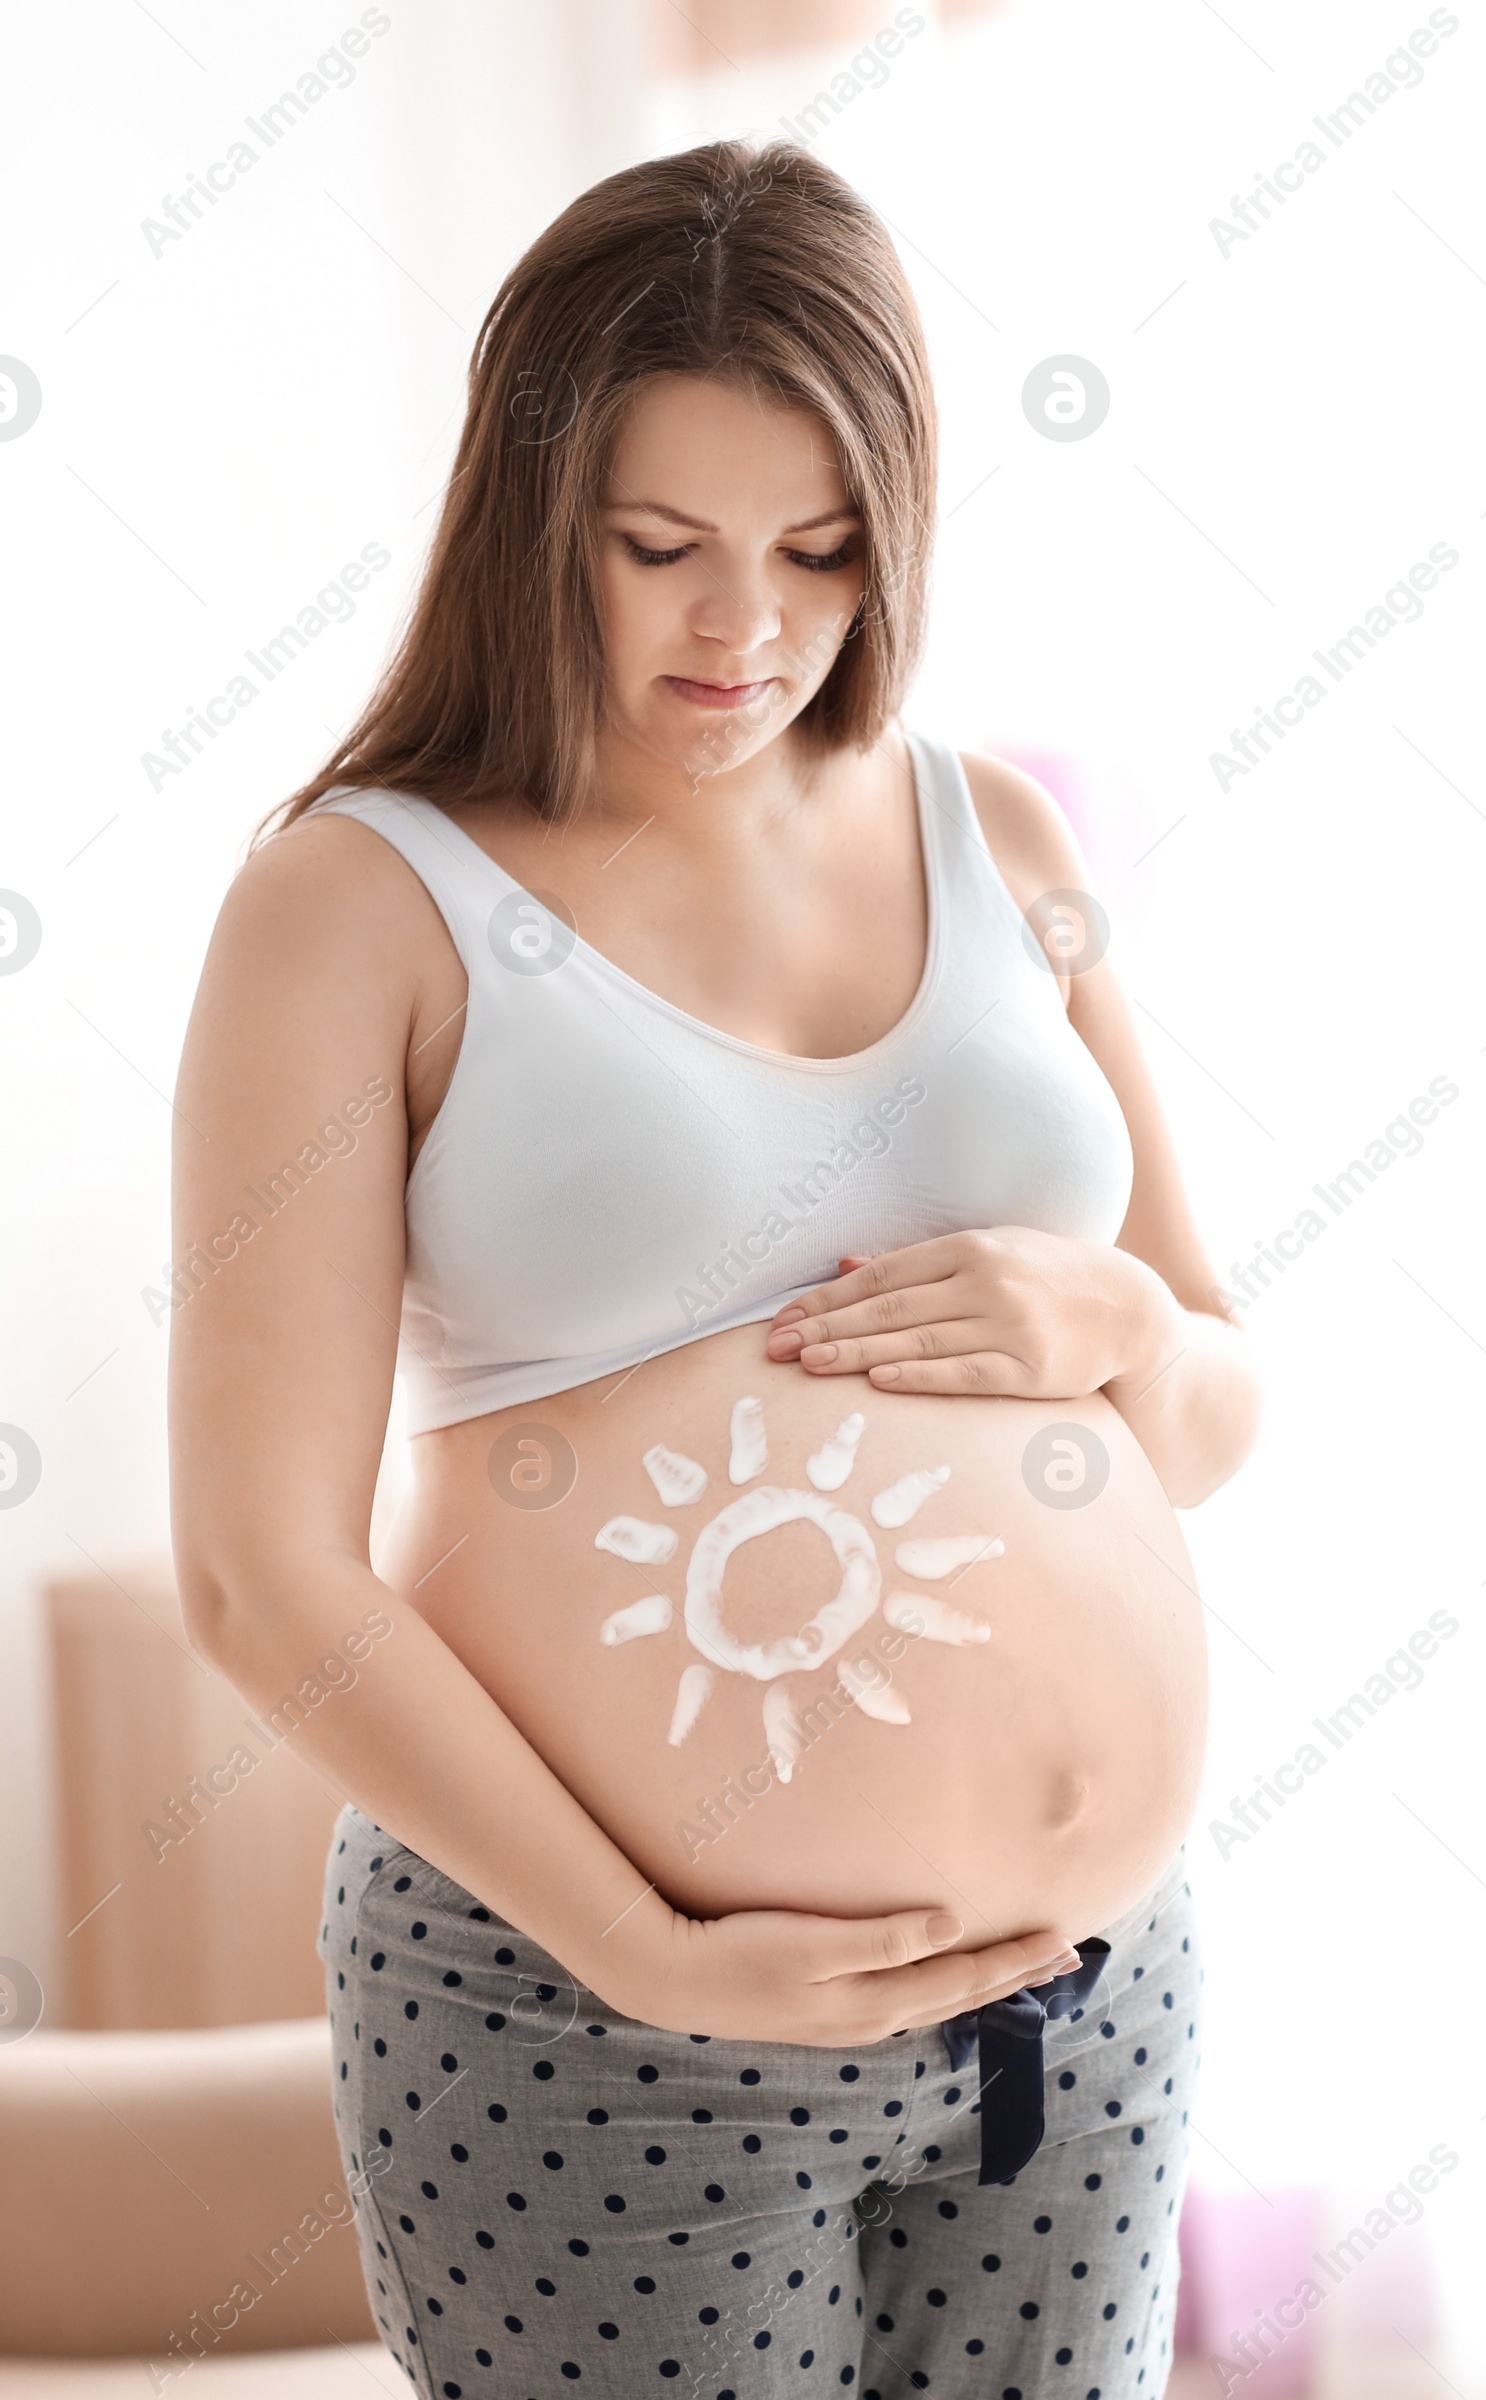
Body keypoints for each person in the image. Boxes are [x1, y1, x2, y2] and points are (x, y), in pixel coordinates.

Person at [171, 138, 1260, 2400]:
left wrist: (1124, 1327)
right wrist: (649, 1952)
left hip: (1078, 1998)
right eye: (658, 546)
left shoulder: (999, 834)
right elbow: (260, 1571)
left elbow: (1216, 1395)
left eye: (818, 551)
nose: (739, 632)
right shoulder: (358, 905)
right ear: (524, 517)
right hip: (597, 2032)